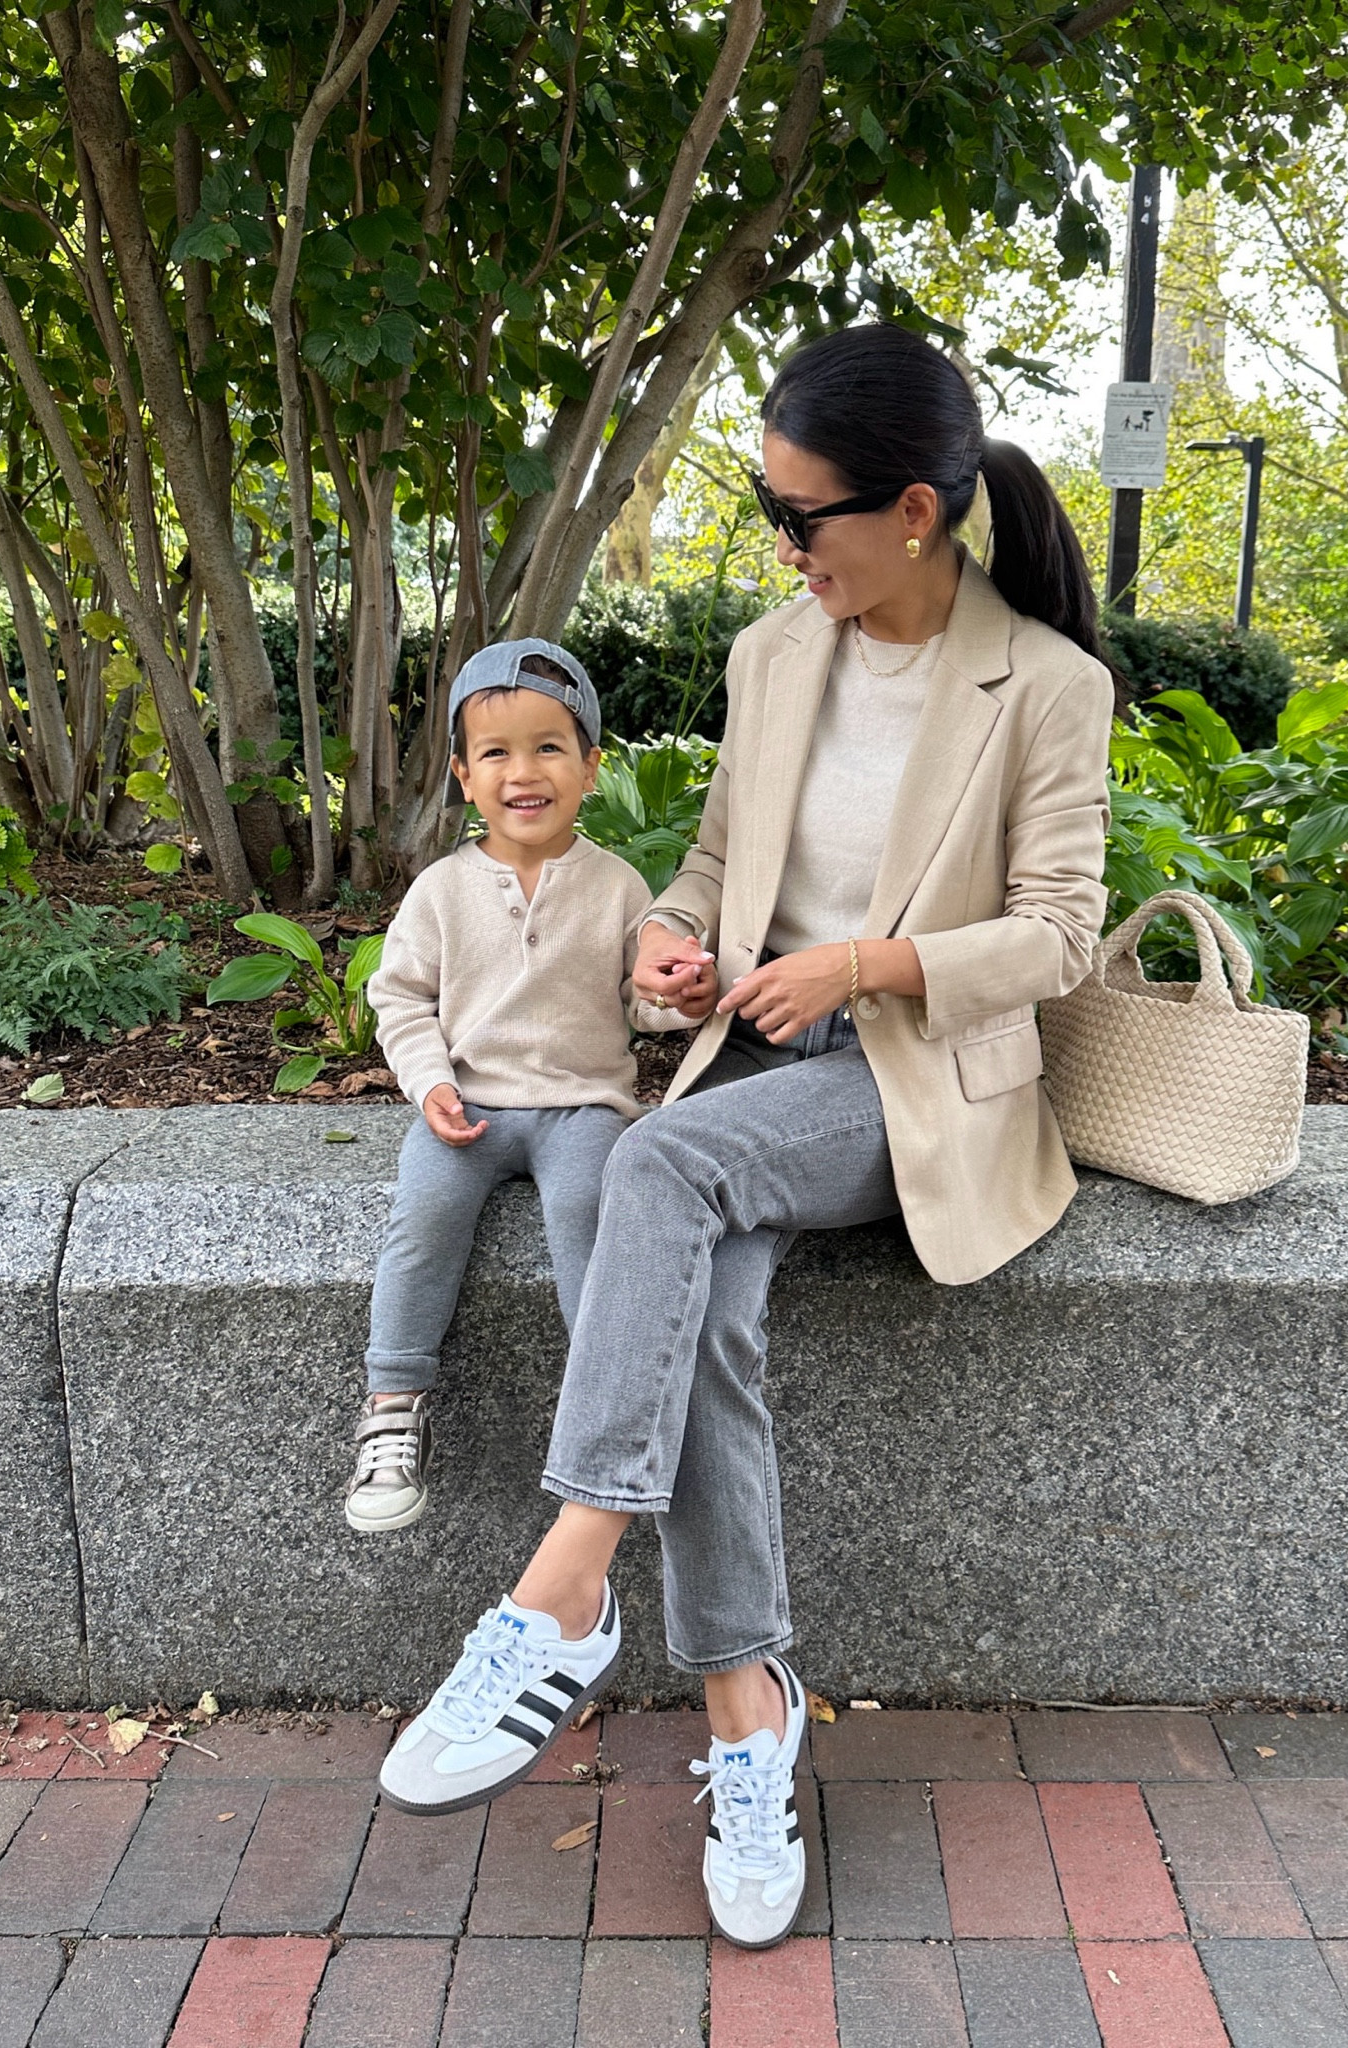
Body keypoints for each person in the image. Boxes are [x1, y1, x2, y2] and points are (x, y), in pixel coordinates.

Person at [378, 324, 1117, 1950]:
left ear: (913, 510)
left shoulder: (1045, 687)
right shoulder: (778, 656)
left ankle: (558, 1588)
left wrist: (863, 962)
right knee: (696, 1286)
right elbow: (720, 866)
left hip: (909, 1075)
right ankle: (741, 1714)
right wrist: (678, 943)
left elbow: (1061, 931)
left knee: (659, 1164)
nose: (783, 550)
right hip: (751, 1052)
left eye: (804, 520)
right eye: (769, 514)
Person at [346, 639, 692, 1533]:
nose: (523, 771)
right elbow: (401, 997)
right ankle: (392, 1403)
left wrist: (673, 998)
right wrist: (427, 1085)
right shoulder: (440, 889)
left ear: (590, 767)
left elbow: (640, 1001)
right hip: (468, 1108)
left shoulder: (619, 887)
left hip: (583, 1105)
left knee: (593, 1216)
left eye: (548, 747)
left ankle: (609, 1429)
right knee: (422, 1220)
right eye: (496, 752)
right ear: (464, 776)